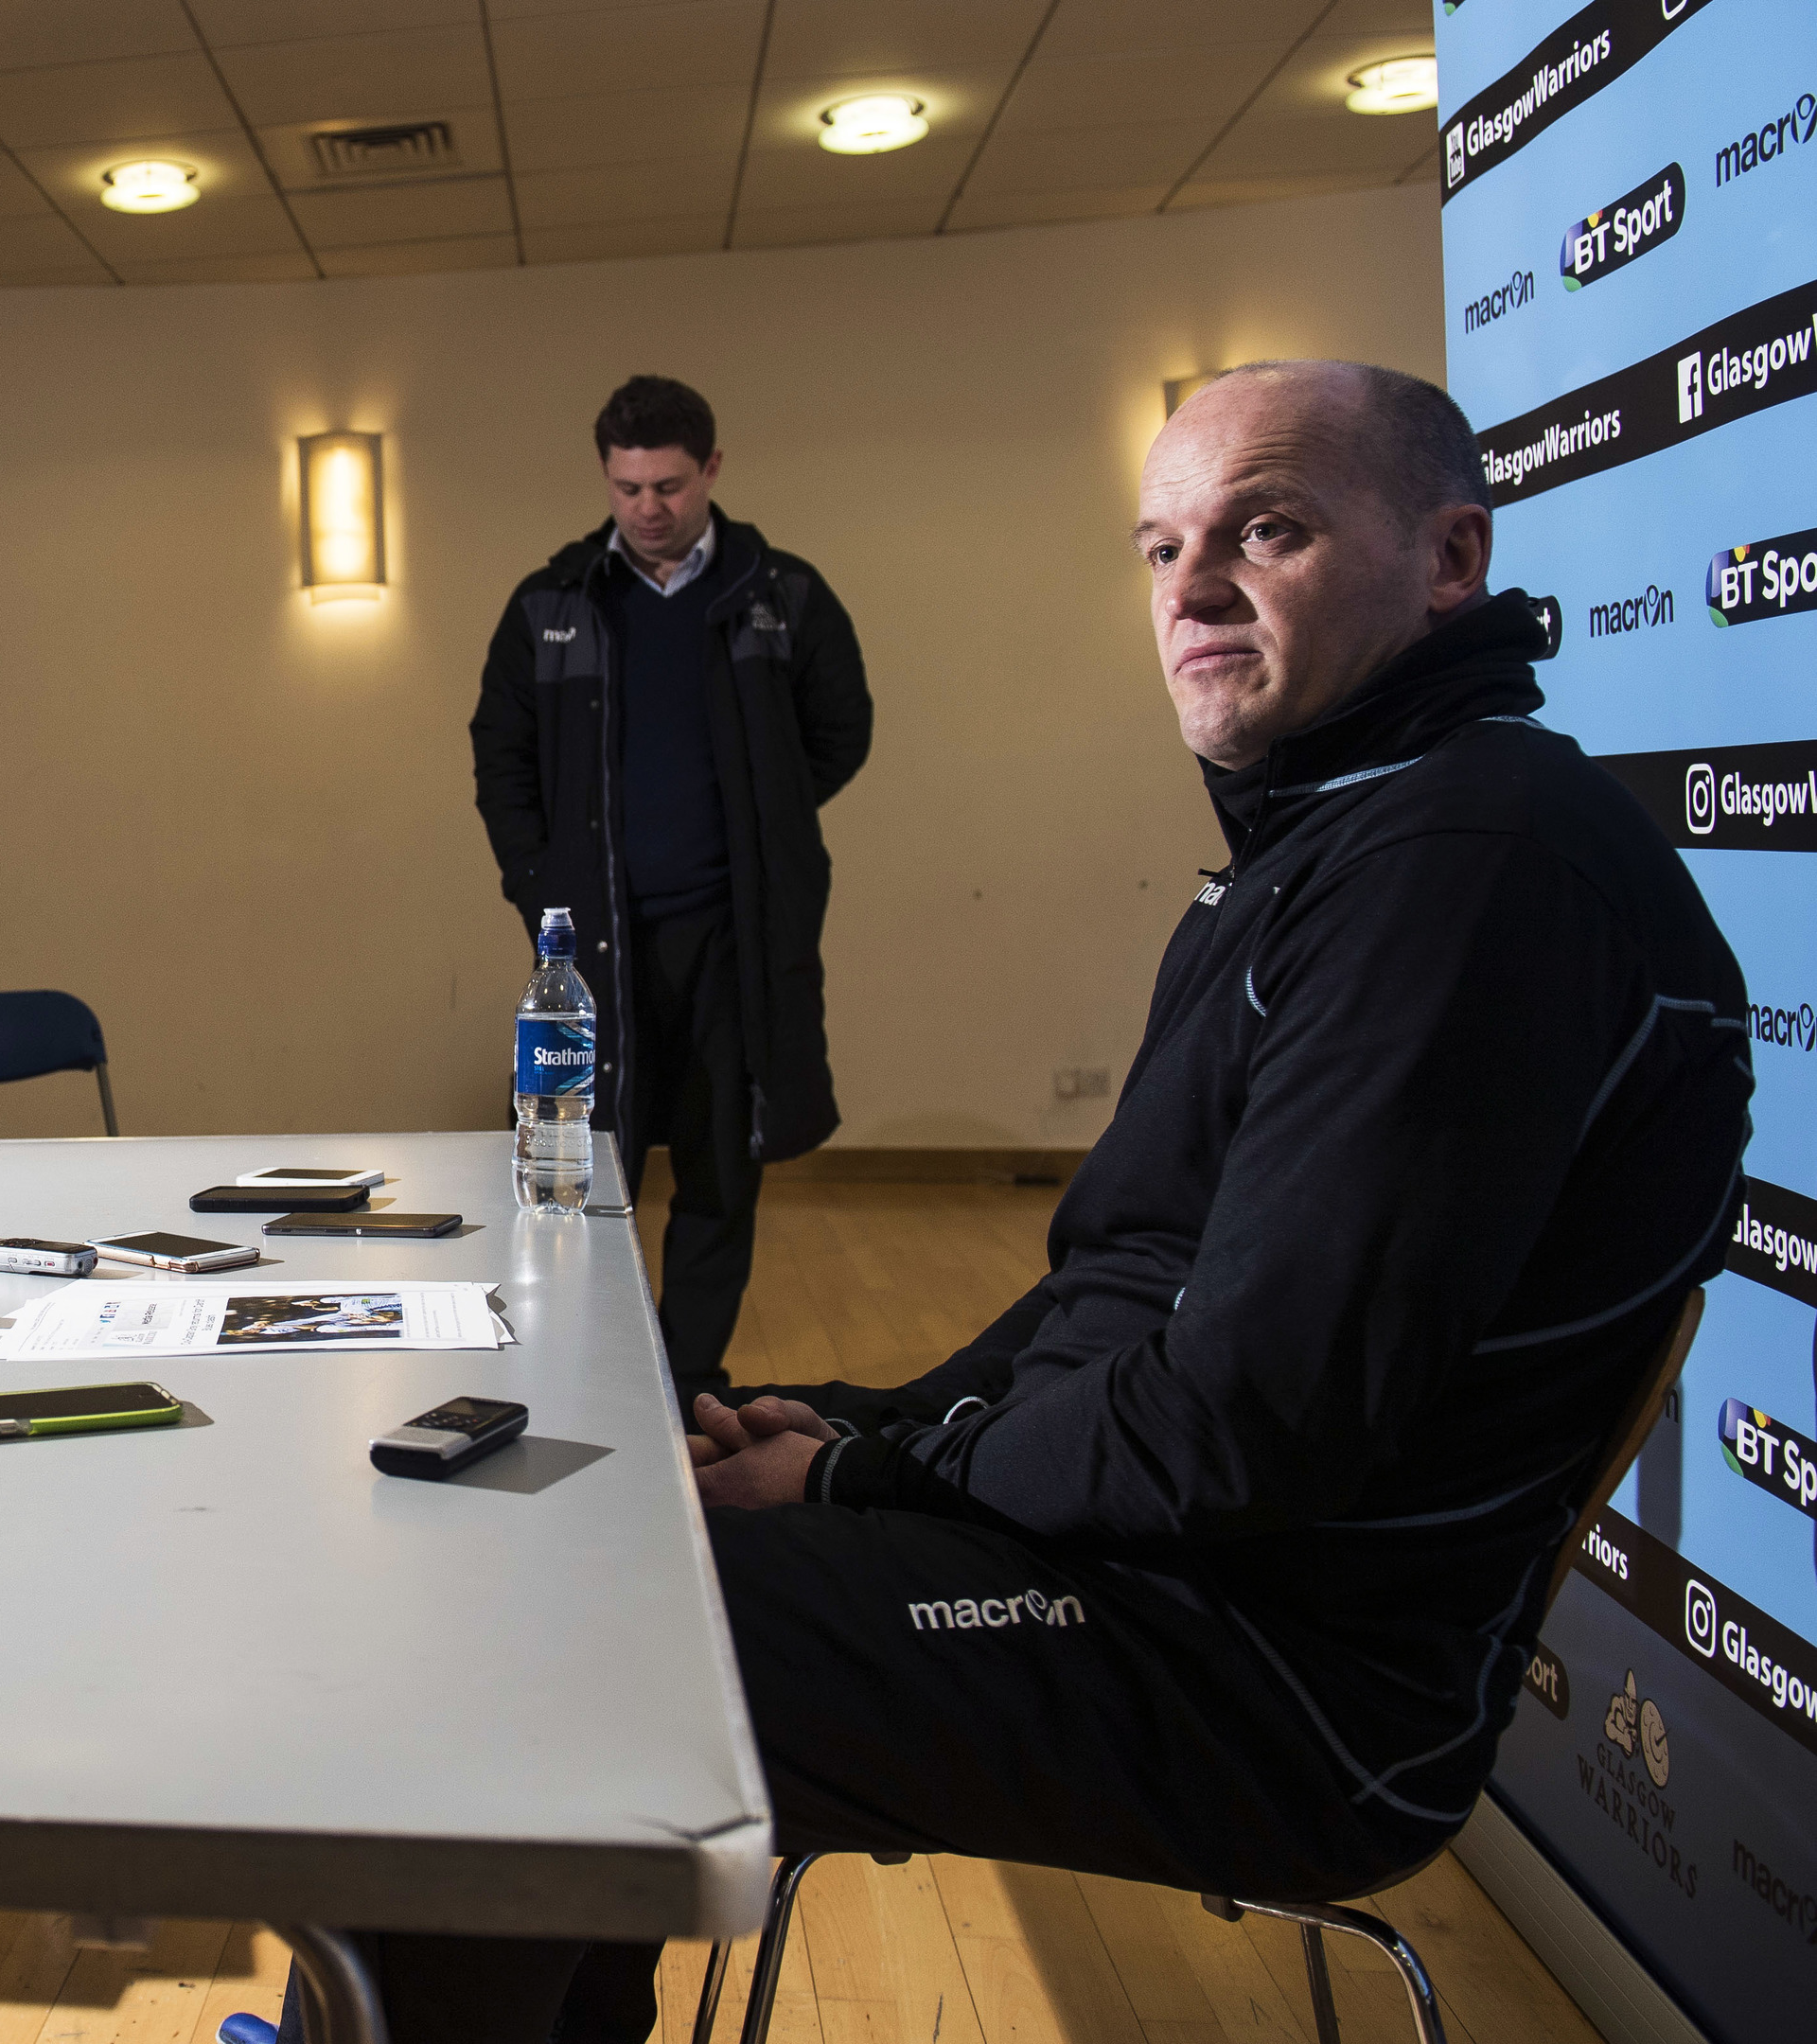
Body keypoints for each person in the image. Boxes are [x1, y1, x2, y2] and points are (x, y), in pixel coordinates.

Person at [291, 362, 1751, 2041]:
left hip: (1276, 1684)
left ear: (1447, 561)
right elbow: (1118, 1287)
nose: (1190, 588)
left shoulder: (1469, 870)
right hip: (1173, 1580)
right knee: (566, 1542)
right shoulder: (1342, 844)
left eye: (1262, 530)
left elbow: (1236, 1431)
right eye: (1157, 547)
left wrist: (861, 1469)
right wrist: (851, 1424)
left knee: (514, 1638)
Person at [469, 375, 873, 1399]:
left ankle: (685, 1385)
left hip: (732, 939)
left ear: (712, 471)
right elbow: (499, 757)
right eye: (628, 487)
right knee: (579, 1176)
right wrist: (537, 881)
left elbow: (840, 734)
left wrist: (761, 817)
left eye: (670, 485)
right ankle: (595, 1374)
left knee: (718, 1174)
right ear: (606, 479)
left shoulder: (784, 597)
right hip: (591, 948)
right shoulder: (551, 605)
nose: (649, 508)